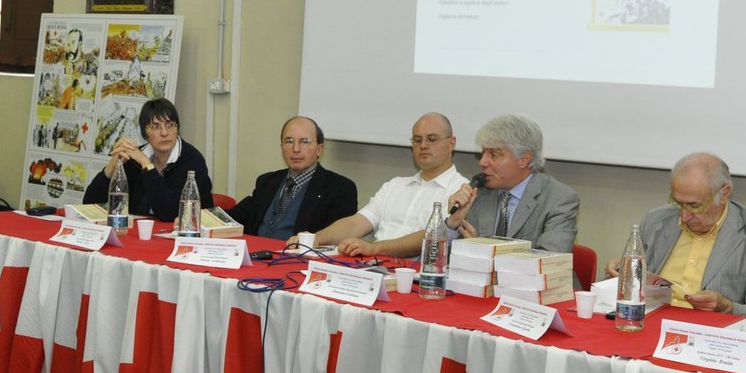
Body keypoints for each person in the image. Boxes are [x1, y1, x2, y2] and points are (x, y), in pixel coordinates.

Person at [606, 152, 746, 319]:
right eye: (678, 203)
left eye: (695, 205)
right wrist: (621, 274)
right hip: (650, 322)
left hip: (710, 338)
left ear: (724, 194)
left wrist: (727, 307)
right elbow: (632, 288)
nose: (684, 216)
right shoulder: (655, 220)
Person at [290, 112, 468, 258]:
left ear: (451, 143)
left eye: (432, 139)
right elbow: (356, 223)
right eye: (417, 140)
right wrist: (315, 238)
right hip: (372, 268)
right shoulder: (395, 185)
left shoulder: (462, 191)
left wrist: (374, 248)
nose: (423, 145)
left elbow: (434, 236)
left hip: (415, 278)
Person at [442, 114, 579, 254]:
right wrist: (452, 224)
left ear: (524, 159)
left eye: (493, 155)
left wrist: (484, 253)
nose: (482, 162)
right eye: (483, 153)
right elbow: (440, 262)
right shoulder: (478, 194)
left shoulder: (559, 199)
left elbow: (548, 261)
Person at [224, 116, 359, 240]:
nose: (295, 149)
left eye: (304, 142)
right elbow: (236, 216)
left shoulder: (340, 189)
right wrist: (206, 217)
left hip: (297, 261)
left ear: (319, 149)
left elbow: (336, 240)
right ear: (281, 147)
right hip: (256, 258)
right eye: (289, 141)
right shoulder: (267, 181)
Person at [82, 98, 212, 221]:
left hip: (187, 238)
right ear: (144, 133)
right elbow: (90, 204)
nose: (164, 133)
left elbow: (170, 212)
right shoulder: (133, 159)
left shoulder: (192, 160)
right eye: (155, 127)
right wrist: (111, 167)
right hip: (139, 235)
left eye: (170, 125)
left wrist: (146, 164)